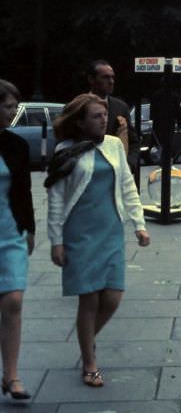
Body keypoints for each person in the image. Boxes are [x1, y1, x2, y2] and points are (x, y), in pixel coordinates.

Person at [46, 94, 150, 387]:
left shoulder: (115, 146)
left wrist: (139, 225)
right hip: (79, 233)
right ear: (80, 122)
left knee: (113, 297)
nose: (103, 120)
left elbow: (128, 185)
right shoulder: (66, 151)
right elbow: (55, 198)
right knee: (89, 299)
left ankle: (85, 340)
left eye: (104, 115)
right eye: (96, 116)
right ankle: (89, 360)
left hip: (111, 229)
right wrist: (56, 240)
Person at [0, 80, 34, 401]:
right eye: (8, 107)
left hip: (9, 232)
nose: (13, 113)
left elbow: (23, 191)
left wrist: (31, 230)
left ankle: (11, 375)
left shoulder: (16, 145)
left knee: (13, 301)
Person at [87, 60, 139, 170]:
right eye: (105, 77)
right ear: (91, 79)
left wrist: (129, 165)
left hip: (116, 173)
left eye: (112, 77)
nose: (111, 81)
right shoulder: (79, 106)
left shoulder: (120, 107)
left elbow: (134, 142)